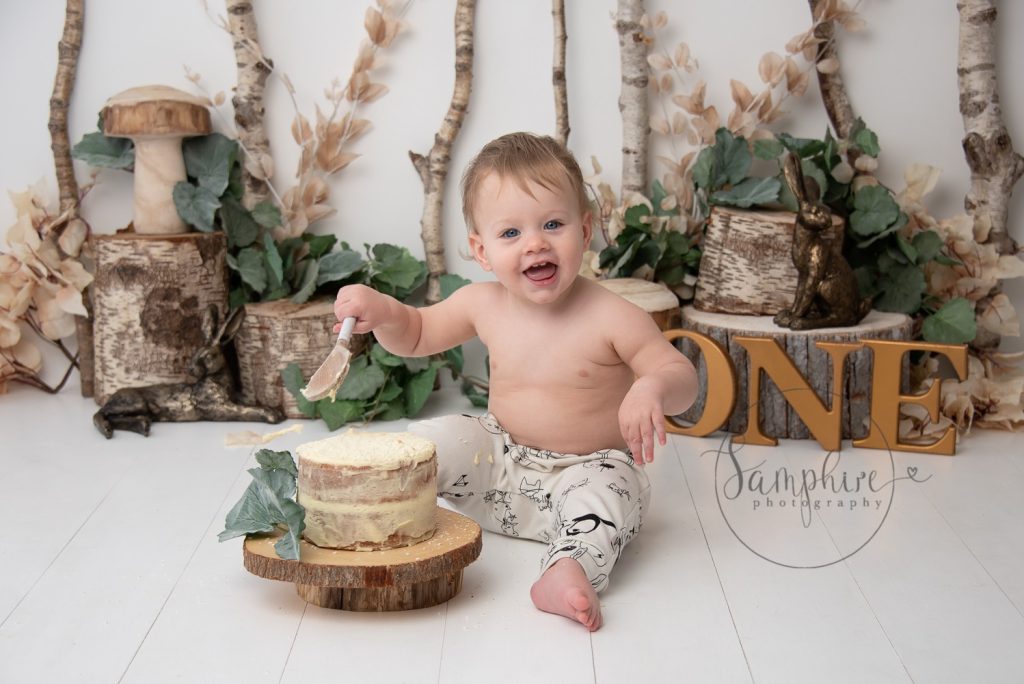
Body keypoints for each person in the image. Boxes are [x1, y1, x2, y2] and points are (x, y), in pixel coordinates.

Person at [333, 132, 698, 630]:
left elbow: (681, 375)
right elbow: (417, 334)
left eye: (553, 223)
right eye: (511, 234)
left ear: (585, 230)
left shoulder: (613, 315)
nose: (536, 243)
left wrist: (651, 387)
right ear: (481, 251)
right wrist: (384, 312)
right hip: (498, 467)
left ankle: (567, 569)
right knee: (443, 437)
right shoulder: (482, 303)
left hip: (585, 473)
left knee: (612, 493)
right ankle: (370, 498)